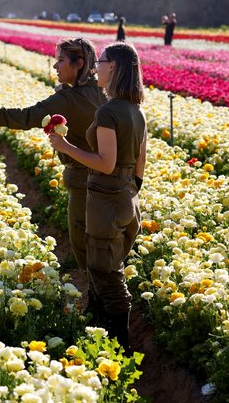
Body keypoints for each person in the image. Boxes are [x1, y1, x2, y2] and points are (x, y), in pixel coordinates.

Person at [0, 38, 107, 311]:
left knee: (84, 243)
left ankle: (99, 306)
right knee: (104, 244)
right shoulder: (102, 91)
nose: (55, 65)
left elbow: (27, 117)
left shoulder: (68, 98)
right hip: (112, 178)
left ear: (79, 64)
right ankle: (105, 303)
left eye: (61, 60)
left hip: (83, 181)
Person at [48, 42, 147, 352]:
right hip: (125, 197)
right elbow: (140, 162)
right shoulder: (135, 110)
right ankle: (103, 332)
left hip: (106, 198)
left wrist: (66, 149)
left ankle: (121, 349)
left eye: (101, 62)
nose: (96, 68)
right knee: (107, 267)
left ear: (113, 68)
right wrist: (127, 191)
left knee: (105, 274)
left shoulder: (108, 111)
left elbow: (105, 163)